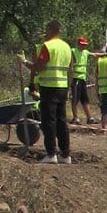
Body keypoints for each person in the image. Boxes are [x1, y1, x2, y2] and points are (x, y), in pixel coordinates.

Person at [28, 20, 73, 164]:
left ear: (50, 30)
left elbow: (40, 67)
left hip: (48, 87)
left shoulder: (47, 46)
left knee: (49, 121)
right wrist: (69, 87)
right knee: (61, 121)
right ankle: (65, 154)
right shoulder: (66, 47)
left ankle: (51, 153)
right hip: (62, 87)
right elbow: (71, 70)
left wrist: (26, 63)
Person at [68, 37, 95, 124]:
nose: (84, 46)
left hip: (82, 78)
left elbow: (94, 54)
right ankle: (75, 117)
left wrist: (105, 53)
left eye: (85, 45)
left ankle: (89, 117)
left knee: (85, 99)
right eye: (82, 44)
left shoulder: (86, 52)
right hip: (75, 78)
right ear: (78, 44)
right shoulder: (73, 51)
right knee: (75, 98)